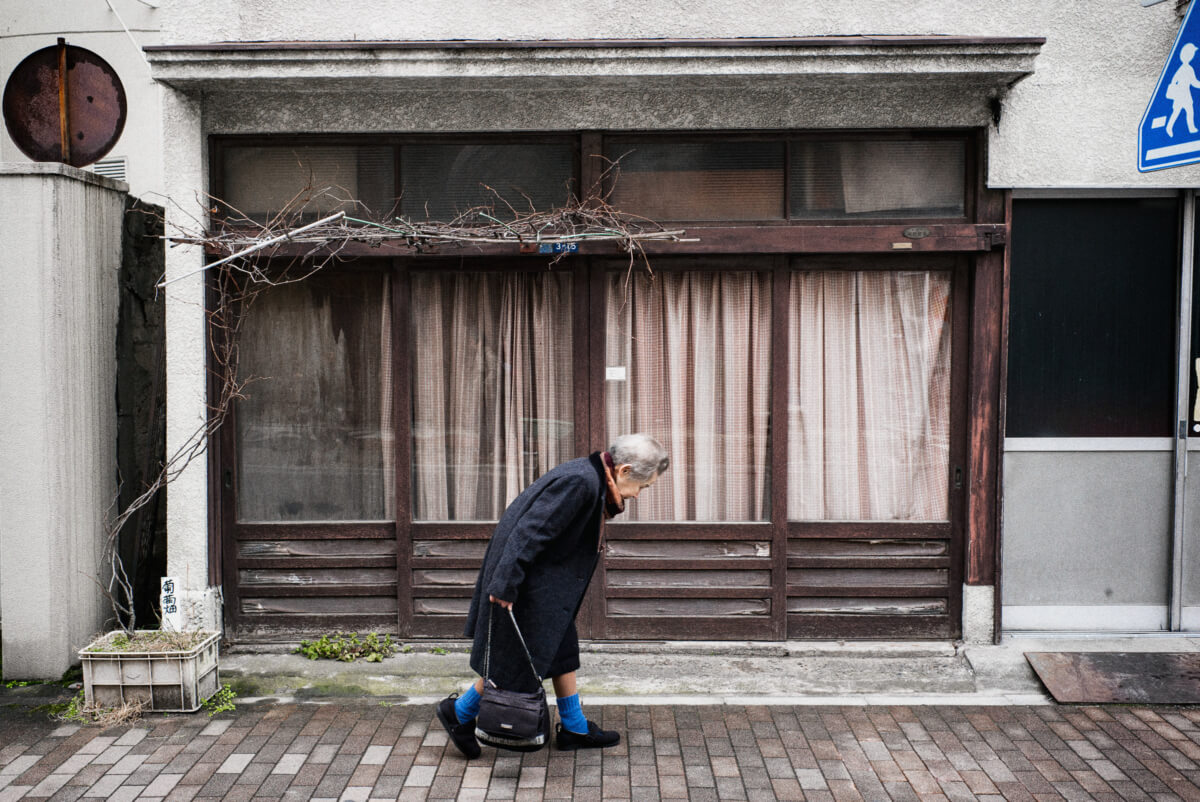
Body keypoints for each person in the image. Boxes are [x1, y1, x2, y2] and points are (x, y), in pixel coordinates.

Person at [436, 433, 670, 758]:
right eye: (643, 487)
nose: (640, 495)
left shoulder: (590, 478)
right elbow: (530, 530)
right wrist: (506, 583)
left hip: (543, 583)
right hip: (525, 583)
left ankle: (574, 727)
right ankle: (459, 713)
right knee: (516, 662)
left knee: (560, 649)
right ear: (625, 470)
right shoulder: (581, 483)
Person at [1167, 42, 1200, 138]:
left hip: (1184, 95)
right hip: (1181, 95)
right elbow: (1193, 82)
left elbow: (1193, 82)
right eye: (1192, 53)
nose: (1193, 55)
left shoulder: (1187, 68)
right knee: (1178, 112)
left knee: (1189, 111)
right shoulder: (1185, 68)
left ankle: (1191, 128)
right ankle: (1169, 127)